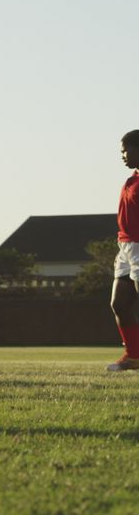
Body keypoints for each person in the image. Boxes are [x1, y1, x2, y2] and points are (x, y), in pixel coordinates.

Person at [108, 130, 139, 371]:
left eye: (125, 150)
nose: (122, 155)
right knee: (119, 303)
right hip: (126, 247)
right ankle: (134, 355)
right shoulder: (132, 179)